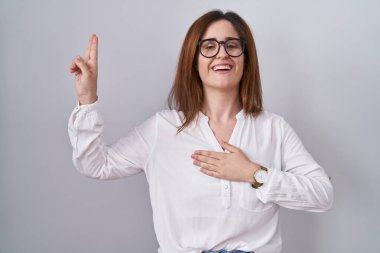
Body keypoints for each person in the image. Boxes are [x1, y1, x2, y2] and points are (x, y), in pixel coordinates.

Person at [68, 10, 333, 253]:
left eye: (232, 45)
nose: (222, 54)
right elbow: (95, 165)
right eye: (209, 46)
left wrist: (253, 174)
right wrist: (88, 99)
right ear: (193, 62)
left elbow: (322, 195)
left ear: (246, 58)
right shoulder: (162, 128)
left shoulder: (273, 128)